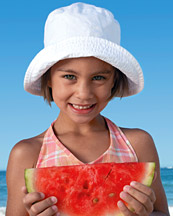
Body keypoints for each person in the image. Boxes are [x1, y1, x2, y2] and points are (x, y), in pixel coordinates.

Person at [6, 2, 169, 216]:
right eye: (69, 77)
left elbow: (162, 213)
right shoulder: (26, 154)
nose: (84, 93)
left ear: (114, 81)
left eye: (99, 77)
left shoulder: (138, 144)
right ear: (49, 79)